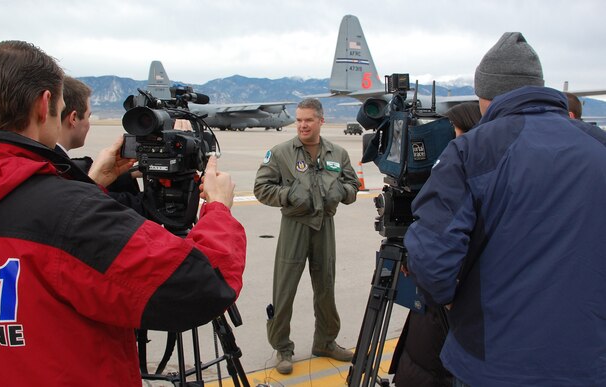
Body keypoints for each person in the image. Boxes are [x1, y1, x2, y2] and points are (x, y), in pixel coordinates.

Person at [0, 40, 246, 386]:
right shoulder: (69, 213)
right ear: (45, 105)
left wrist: (89, 183)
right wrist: (218, 210)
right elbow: (202, 285)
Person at [404, 32, 606, 386]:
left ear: (485, 96)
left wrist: (448, 300)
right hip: (589, 360)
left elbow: (432, 258)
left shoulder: (473, 149)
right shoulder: (597, 145)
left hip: (493, 361)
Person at [253, 98, 360, 374]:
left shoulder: (337, 153)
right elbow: (261, 188)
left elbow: (352, 185)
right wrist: (287, 195)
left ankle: (325, 341)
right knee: (285, 288)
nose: (302, 124)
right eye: (299, 120)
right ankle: (282, 348)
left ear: (320, 121)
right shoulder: (280, 153)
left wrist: (342, 192)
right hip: (294, 227)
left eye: (308, 120)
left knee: (325, 285)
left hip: (325, 225)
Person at [389, 101, 481, 387]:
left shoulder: (466, 174)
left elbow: (438, 255)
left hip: (451, 311)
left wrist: (424, 269)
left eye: (451, 130)